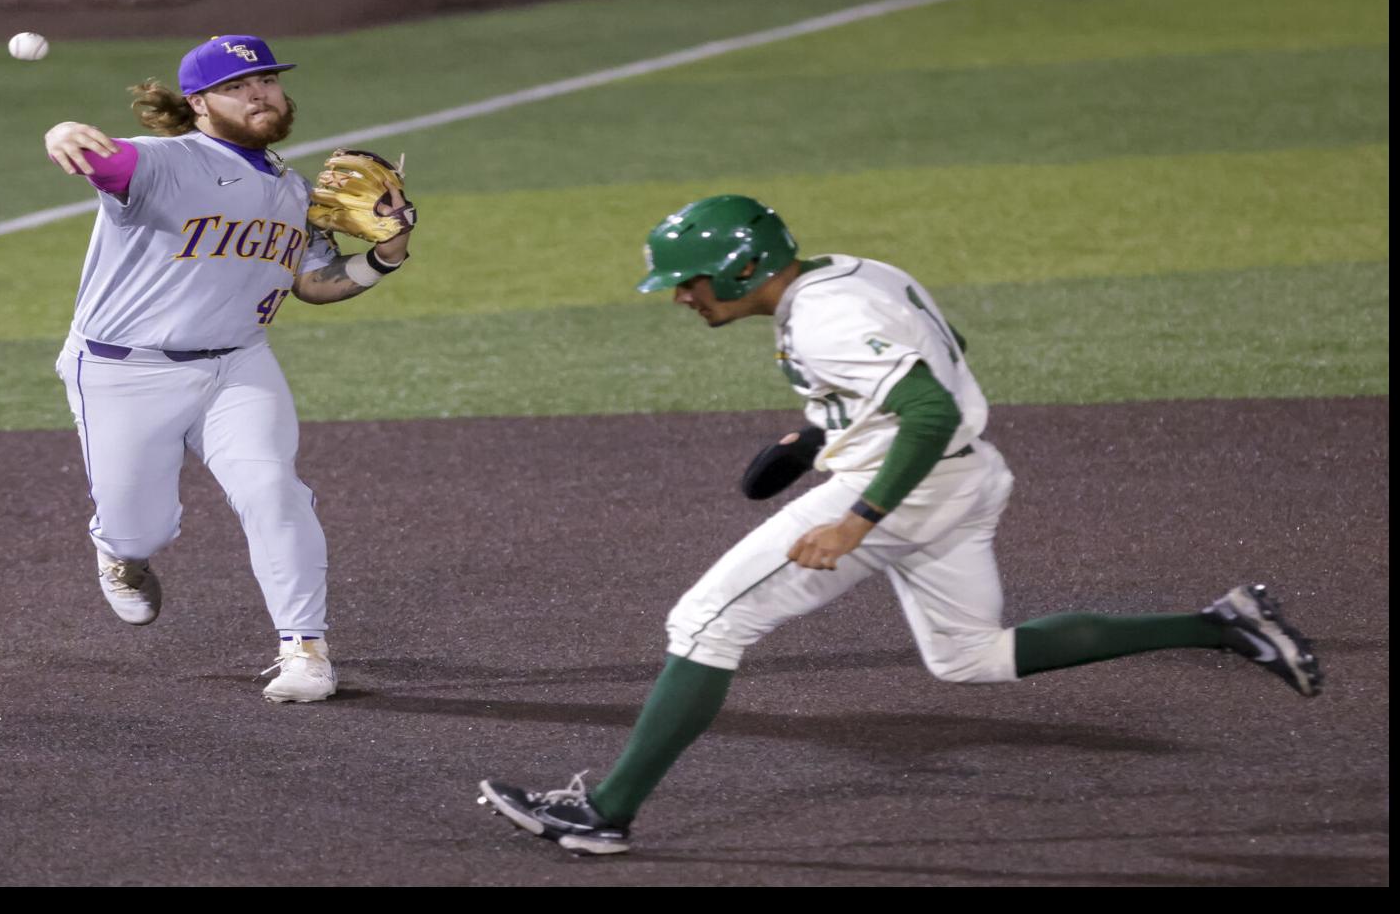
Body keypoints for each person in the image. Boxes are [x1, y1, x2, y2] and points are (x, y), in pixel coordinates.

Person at [476, 195, 1322, 854]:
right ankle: (1222, 626)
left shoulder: (826, 314)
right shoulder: (854, 273)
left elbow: (919, 412)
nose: (681, 300)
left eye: (688, 284)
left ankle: (604, 813)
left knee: (705, 621)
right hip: (963, 479)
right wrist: (819, 434)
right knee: (969, 656)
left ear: (738, 272)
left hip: (904, 487)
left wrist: (856, 518)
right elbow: (939, 347)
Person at [43, 35, 415, 703]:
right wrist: (62, 130)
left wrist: (388, 255)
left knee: (275, 492)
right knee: (140, 529)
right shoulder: (162, 161)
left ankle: (305, 650)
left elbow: (316, 284)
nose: (259, 93)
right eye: (238, 86)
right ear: (198, 103)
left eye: (267, 80)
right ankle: (119, 551)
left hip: (239, 366)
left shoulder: (292, 190)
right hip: (124, 374)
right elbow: (103, 161)